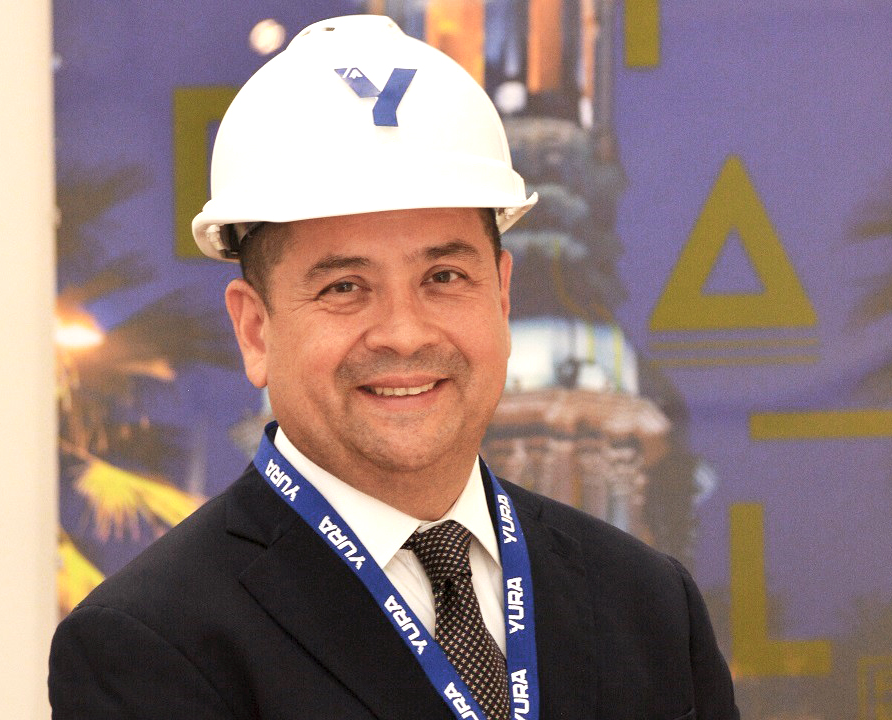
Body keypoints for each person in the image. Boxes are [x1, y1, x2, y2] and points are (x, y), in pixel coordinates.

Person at [49, 14, 739, 720]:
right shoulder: (151, 646)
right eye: (344, 287)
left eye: (443, 277)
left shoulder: (647, 606)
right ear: (255, 330)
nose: (404, 334)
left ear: (500, 296)